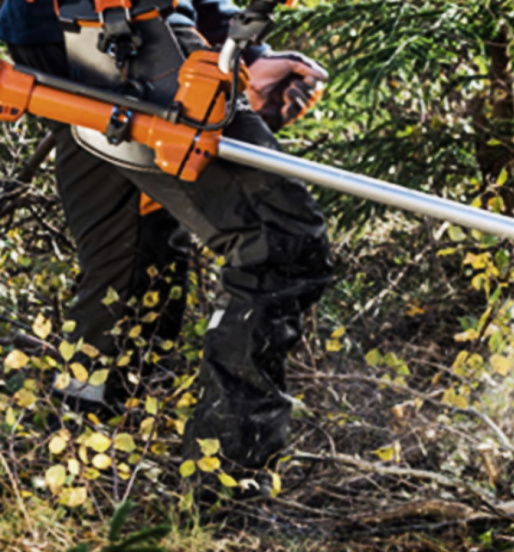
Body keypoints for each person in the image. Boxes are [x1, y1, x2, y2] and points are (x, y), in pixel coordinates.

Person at [0, 0, 332, 476]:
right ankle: (226, 484)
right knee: (279, 244)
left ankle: (85, 468)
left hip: (89, 33)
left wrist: (244, 49)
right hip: (119, 36)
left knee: (135, 266)